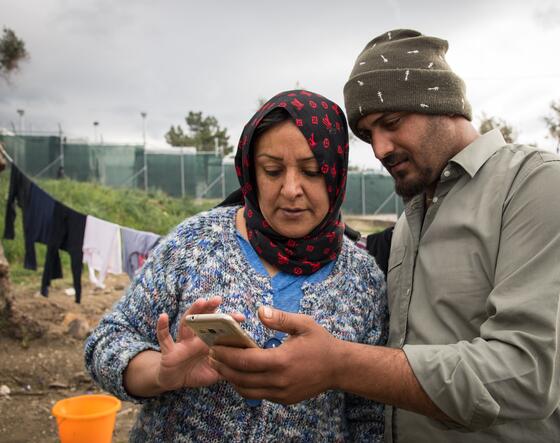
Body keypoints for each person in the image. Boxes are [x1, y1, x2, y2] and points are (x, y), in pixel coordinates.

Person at [212, 30, 560, 442]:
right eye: (368, 134)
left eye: (390, 123)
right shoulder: (414, 217)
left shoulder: (542, 187)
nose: (379, 148)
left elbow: (525, 374)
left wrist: (338, 364)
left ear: (443, 105)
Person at [84, 90, 388, 442]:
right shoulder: (195, 242)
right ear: (250, 171)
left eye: (312, 170)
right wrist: (160, 374)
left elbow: (370, 416)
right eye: (272, 170)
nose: (291, 189)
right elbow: (107, 341)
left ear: (336, 174)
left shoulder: (364, 279)